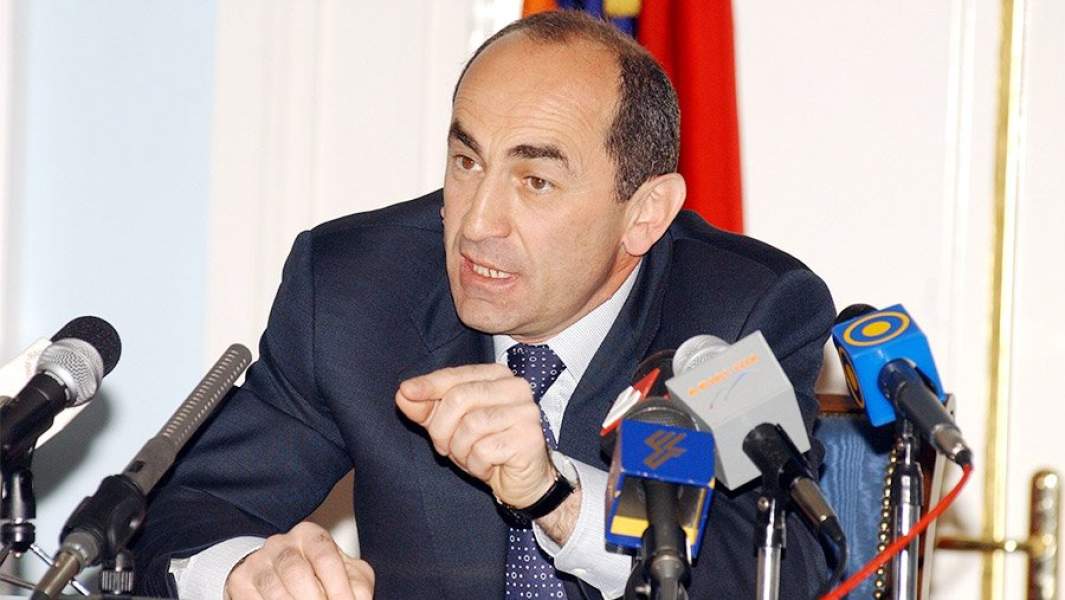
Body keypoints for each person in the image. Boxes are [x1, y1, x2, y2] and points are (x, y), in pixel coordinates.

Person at [132, 10, 835, 600]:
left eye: (535, 181)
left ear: (645, 213)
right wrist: (243, 572)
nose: (475, 224)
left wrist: (556, 496)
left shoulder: (734, 318)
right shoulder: (358, 291)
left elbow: (781, 570)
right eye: (467, 163)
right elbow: (179, 513)